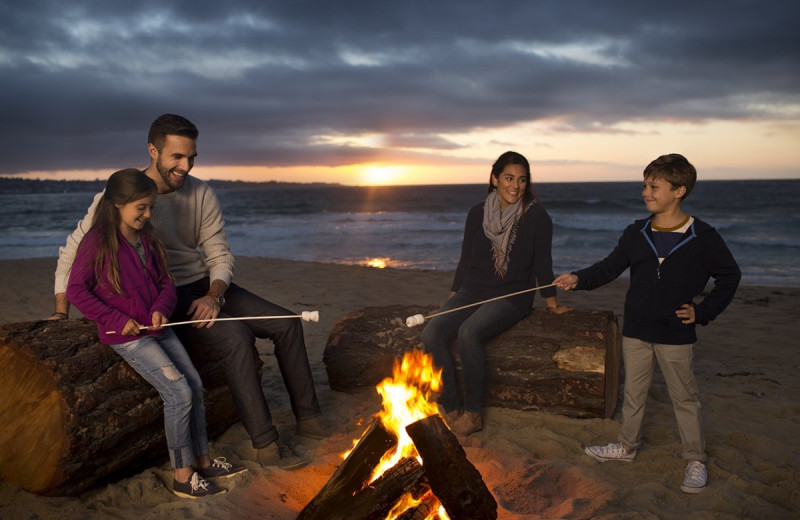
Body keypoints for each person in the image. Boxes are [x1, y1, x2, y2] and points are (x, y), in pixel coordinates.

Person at [53, 114, 325, 469]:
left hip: (204, 285)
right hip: (165, 297)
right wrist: (61, 310)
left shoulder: (202, 193)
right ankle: (266, 444)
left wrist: (214, 295)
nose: (186, 165)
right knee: (236, 338)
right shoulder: (120, 196)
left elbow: (218, 253)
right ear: (153, 151)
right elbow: (75, 251)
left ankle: (311, 421)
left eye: (192, 157)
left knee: (287, 322)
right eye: (177, 157)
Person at [554, 153, 741, 494]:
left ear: (679, 190)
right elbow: (608, 268)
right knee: (634, 394)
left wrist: (703, 311)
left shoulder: (703, 236)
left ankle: (695, 459)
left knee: (684, 397)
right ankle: (626, 447)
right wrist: (577, 279)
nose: (645, 192)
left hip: (675, 333)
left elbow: (730, 276)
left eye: (654, 186)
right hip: (636, 329)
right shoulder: (636, 232)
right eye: (645, 185)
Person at [66, 169, 245, 498]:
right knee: (177, 392)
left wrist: (161, 308)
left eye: (150, 207)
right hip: (127, 335)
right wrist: (116, 319)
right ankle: (182, 474)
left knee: (194, 384)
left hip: (157, 325)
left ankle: (203, 461)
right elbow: (77, 290)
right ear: (118, 203)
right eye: (142, 208)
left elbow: (165, 283)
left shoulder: (147, 237)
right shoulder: (96, 242)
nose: (148, 214)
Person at [422, 151, 566, 437]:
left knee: (468, 332)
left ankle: (473, 414)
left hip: (513, 294)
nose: (516, 185)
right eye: (509, 178)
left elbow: (543, 263)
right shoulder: (477, 213)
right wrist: (452, 297)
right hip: (473, 289)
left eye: (522, 180)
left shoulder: (536, 216)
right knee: (432, 331)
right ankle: (450, 406)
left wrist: (552, 304)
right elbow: (465, 259)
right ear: (494, 179)